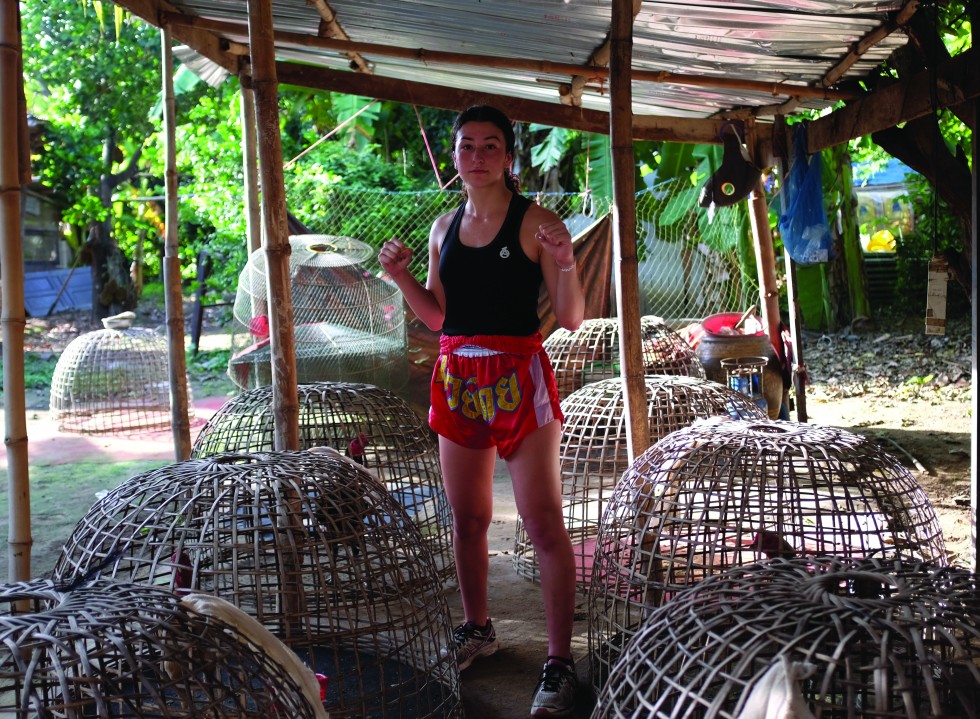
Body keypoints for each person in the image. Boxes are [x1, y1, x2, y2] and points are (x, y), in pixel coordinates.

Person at [379, 104, 584, 717]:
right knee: (466, 519)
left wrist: (568, 262)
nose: (478, 156)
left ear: (509, 157)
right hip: (458, 379)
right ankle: (478, 629)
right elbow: (442, 318)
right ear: (455, 155)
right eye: (467, 145)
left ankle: (558, 662)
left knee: (542, 521)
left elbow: (570, 318)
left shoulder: (535, 223)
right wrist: (398, 277)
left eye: (491, 145)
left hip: (519, 378)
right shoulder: (443, 227)